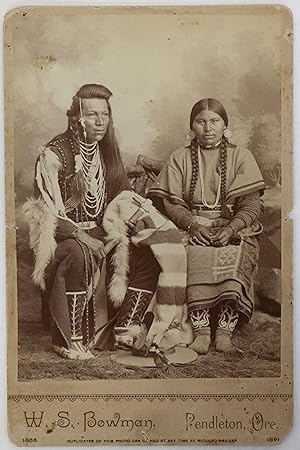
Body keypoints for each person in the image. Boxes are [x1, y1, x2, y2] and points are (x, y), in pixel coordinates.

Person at [23, 83, 160, 360]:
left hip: (101, 232)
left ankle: (126, 327)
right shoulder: (53, 155)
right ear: (75, 118)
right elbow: (48, 214)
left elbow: (121, 197)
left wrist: (133, 222)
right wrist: (84, 236)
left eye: (105, 114)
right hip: (62, 239)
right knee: (80, 252)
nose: (100, 122)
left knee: (150, 251)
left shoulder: (106, 153)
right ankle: (69, 339)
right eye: (92, 114)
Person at [148, 98, 265, 354]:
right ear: (192, 126)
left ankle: (224, 330)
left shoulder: (241, 156)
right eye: (201, 121)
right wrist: (191, 225)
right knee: (193, 254)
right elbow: (171, 204)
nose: (208, 127)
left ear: (225, 125)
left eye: (215, 121)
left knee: (235, 253)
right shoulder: (180, 157)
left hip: (232, 226)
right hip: (194, 226)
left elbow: (252, 205)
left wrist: (231, 229)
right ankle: (201, 331)